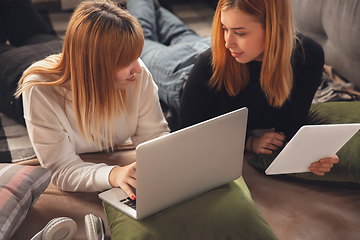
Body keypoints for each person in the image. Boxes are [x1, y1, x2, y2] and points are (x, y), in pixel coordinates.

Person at [127, 0, 339, 176]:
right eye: (224, 28)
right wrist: (249, 143)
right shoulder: (210, 64)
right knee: (142, 37)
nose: (228, 41)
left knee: (179, 32)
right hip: (183, 71)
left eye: (240, 32)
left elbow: (290, 129)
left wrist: (318, 153)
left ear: (276, 27)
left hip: (211, 52)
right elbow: (190, 137)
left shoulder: (308, 56)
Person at [0, 0, 169, 200]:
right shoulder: (39, 89)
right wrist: (113, 174)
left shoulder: (137, 75)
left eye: (136, 57)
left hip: (55, 49)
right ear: (96, 65)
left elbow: (156, 140)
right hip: (14, 73)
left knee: (29, 31)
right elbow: (62, 170)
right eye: (126, 61)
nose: (139, 69)